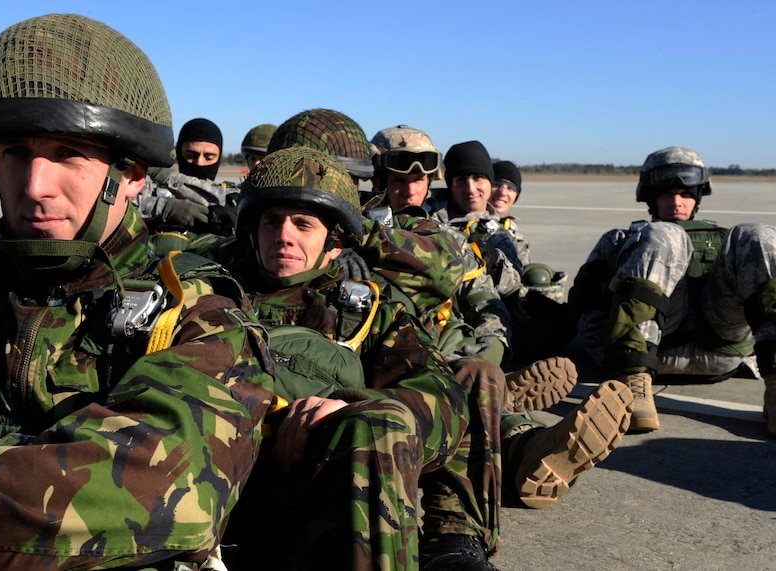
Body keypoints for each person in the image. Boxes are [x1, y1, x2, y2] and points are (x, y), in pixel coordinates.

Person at [0, 13, 274, 570]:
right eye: (16, 153)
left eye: (69, 154)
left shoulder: (195, 316)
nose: (35, 186)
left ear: (133, 176)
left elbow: (173, 489)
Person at [215, 146, 471, 569]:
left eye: (303, 224)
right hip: (213, 498)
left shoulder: (368, 312)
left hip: (319, 501)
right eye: (271, 222)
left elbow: (445, 400)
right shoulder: (207, 295)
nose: (284, 235)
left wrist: (351, 409)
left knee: (381, 425)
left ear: (334, 245)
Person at [369, 125, 632, 508]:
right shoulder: (355, 232)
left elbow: (485, 302)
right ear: (378, 178)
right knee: (455, 391)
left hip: (448, 348)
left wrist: (488, 355)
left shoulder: (449, 240)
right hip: (387, 352)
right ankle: (508, 418)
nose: (411, 189)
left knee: (473, 380)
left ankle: (532, 444)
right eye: (398, 179)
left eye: (420, 178)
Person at [569, 146, 776, 435]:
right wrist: (607, 357)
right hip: (648, 352)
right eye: (666, 194)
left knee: (757, 232)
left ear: (698, 197)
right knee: (664, 233)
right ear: (650, 197)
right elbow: (586, 305)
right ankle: (633, 383)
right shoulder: (621, 239)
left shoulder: (730, 244)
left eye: (685, 194)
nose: (676, 202)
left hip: (723, 345)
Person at [433, 142, 575, 363]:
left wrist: (495, 261)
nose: (471, 188)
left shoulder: (498, 232)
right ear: (450, 184)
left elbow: (513, 279)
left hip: (481, 307)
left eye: (478, 178)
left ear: (489, 183)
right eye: (461, 180)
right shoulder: (428, 215)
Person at [136, 117, 240, 237]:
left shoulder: (229, 196)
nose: (199, 162)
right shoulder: (152, 189)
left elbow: (232, 212)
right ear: (179, 153)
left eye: (209, 157)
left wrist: (166, 176)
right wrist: (163, 207)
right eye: (191, 155)